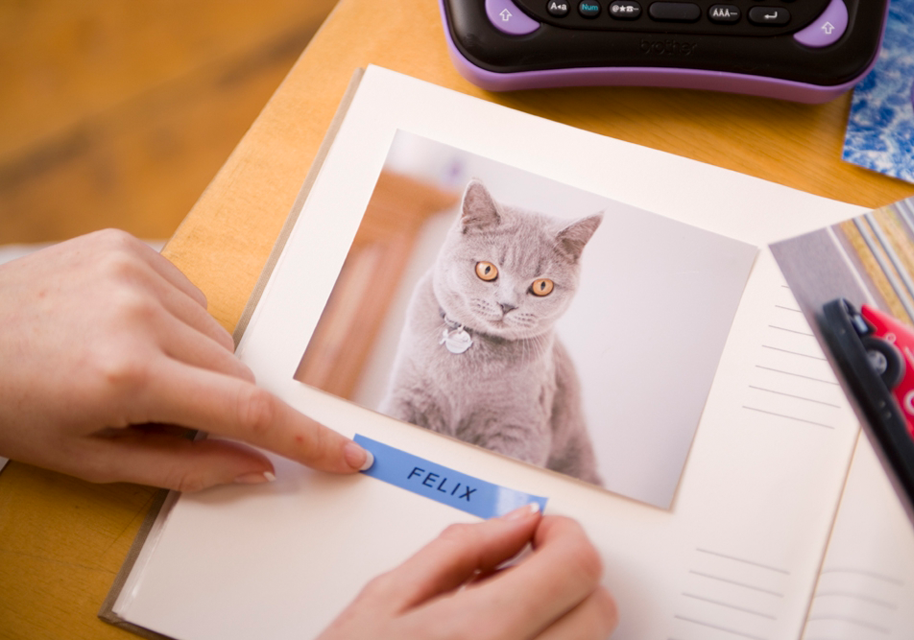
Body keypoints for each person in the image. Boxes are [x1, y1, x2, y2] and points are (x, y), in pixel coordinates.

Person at [0, 229, 618, 639]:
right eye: (487, 271)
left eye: (538, 287)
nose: (510, 302)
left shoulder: (540, 353)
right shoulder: (433, 302)